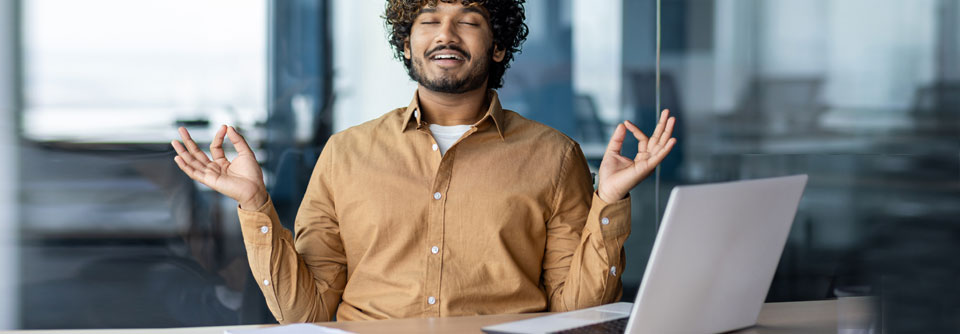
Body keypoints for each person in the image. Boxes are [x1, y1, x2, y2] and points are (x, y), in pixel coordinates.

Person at [171, 0, 676, 323]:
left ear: (498, 46)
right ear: (408, 44)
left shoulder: (552, 154)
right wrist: (256, 204)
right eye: (429, 20)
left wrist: (608, 200)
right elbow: (307, 313)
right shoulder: (346, 153)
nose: (446, 33)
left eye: (469, 21)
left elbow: (575, 313)